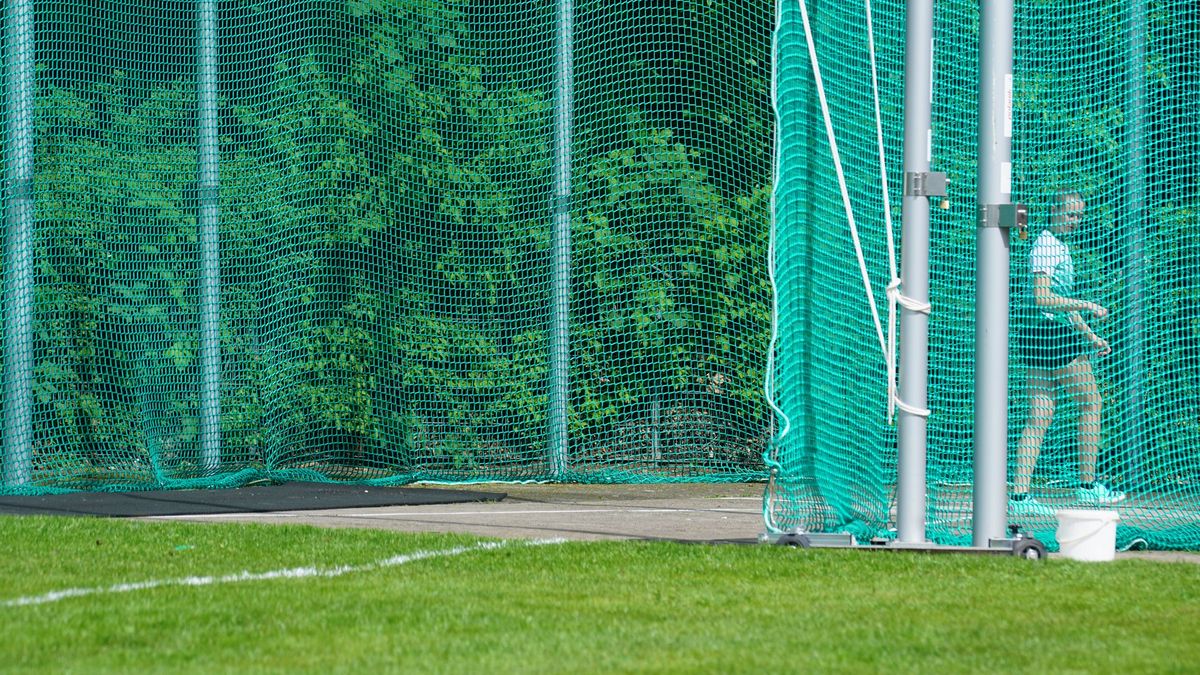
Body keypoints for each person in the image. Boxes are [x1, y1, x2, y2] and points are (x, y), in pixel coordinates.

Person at [1010, 191, 1125, 517]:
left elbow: (1062, 303)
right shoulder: (1045, 246)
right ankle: (1088, 487)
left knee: (1039, 416)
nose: (1075, 221)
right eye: (1071, 214)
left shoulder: (1057, 246)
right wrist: (1087, 304)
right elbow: (1043, 298)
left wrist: (1091, 337)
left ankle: (1019, 496)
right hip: (1050, 336)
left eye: (1079, 216)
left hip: (1036, 336)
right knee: (1091, 403)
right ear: (1055, 211)